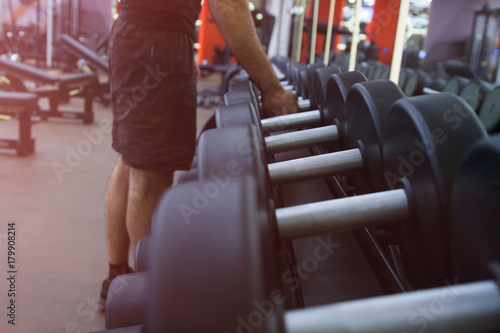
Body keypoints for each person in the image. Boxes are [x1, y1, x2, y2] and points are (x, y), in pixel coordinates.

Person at [99, 0, 298, 310]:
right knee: (150, 173)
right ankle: (148, 303)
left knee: (131, 160)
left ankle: (118, 278)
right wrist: (272, 89)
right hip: (153, 42)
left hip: (144, 36)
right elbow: (228, 6)